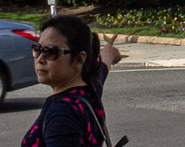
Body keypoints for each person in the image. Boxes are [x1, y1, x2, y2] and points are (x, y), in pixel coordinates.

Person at [21, 15, 121, 147]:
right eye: (37, 49)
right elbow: (100, 74)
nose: (40, 59)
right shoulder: (89, 92)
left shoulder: (62, 113)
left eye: (51, 52)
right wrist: (109, 55)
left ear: (78, 60)